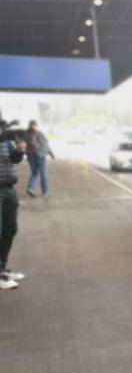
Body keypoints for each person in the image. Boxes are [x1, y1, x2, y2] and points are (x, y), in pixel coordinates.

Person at [0, 124, 26, 290]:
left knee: (10, 229)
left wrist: (20, 146)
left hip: (10, 189)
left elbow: (15, 159)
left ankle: (2, 268)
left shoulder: (7, 142)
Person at [24, 120, 55, 197]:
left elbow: (23, 146)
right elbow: (45, 144)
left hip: (30, 156)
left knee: (34, 173)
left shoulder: (25, 134)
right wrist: (51, 153)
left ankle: (30, 188)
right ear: (35, 125)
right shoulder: (39, 133)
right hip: (40, 156)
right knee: (43, 174)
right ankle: (45, 191)